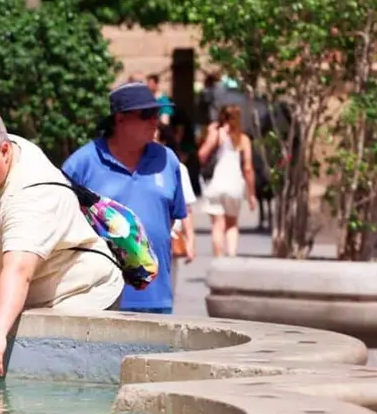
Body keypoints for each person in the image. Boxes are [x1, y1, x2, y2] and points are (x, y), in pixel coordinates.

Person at [0, 109, 124, 384]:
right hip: (29, 293)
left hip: (77, 296)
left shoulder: (33, 195)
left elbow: (18, 271)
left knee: (58, 393)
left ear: (4, 150)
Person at [61, 82, 188, 315]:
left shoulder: (167, 160)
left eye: (157, 114)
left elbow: (168, 220)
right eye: (147, 114)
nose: (155, 121)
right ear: (120, 119)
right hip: (100, 298)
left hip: (157, 298)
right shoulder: (81, 165)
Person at [199, 105, 257, 257]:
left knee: (218, 225)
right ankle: (231, 258)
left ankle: (219, 259)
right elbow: (248, 168)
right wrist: (251, 194)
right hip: (235, 186)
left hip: (217, 184)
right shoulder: (243, 139)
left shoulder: (217, 134)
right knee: (232, 224)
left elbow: (202, 155)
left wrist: (210, 133)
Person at [156, 124, 196, 294]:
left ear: (164, 141)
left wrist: (190, 241)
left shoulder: (177, 168)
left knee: (167, 292)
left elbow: (185, 208)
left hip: (169, 240)